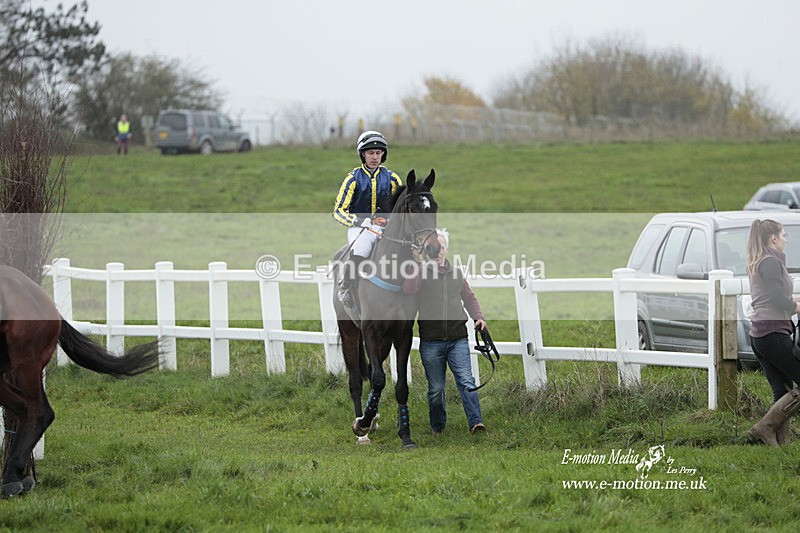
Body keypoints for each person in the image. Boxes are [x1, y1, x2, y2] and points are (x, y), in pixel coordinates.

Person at [407, 229, 488, 435]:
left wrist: (478, 317)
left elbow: (469, 298)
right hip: (431, 341)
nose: (439, 251)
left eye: (442, 247)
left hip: (458, 338)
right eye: (435, 247)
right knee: (436, 389)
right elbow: (409, 288)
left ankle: (476, 422)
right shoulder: (421, 273)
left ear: (446, 249)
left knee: (466, 380)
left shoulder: (457, 273)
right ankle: (438, 426)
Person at [332, 131, 402, 308]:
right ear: (362, 154)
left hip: (385, 226)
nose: (375, 157)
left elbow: (398, 209)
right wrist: (356, 221)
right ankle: (346, 287)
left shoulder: (392, 179)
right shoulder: (352, 179)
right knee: (362, 247)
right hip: (360, 228)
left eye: (378, 153)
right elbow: (338, 211)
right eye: (371, 153)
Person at [746, 219, 800, 446]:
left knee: (782, 389)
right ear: (774, 238)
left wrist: (793, 301)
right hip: (771, 333)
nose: (787, 239)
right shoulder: (770, 262)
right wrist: (796, 307)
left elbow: (772, 297)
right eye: (784, 235)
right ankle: (764, 428)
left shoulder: (764, 260)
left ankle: (781, 442)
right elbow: (777, 298)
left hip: (761, 334)